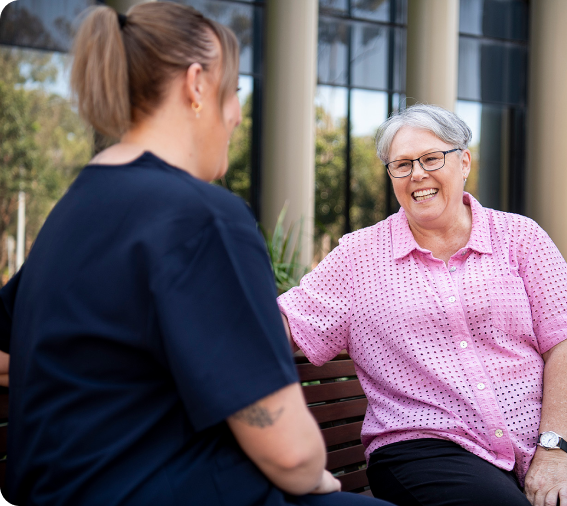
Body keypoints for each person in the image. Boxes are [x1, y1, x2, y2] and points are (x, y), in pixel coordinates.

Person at [0, 4, 391, 505]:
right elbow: (293, 455)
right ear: (197, 85)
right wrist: (311, 473)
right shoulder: (204, 217)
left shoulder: (72, 210)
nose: (236, 116)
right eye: (235, 94)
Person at [278, 104, 567, 506]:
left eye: (431, 158)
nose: (417, 174)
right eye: (401, 165)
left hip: (537, 442)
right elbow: (288, 322)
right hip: (424, 449)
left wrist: (554, 451)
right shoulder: (358, 257)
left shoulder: (521, 237)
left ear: (464, 161)